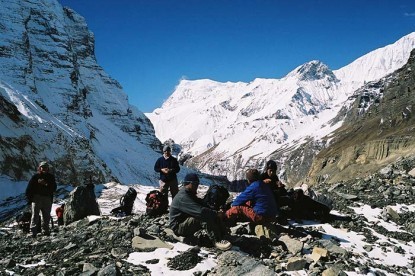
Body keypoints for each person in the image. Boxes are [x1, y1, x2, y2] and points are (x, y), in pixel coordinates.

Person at [169, 173, 232, 251]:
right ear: (189, 183)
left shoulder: (189, 193)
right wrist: (216, 214)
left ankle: (224, 235)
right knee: (204, 217)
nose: (197, 186)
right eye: (195, 184)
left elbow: (201, 204)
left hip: (184, 221)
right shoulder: (183, 197)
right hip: (178, 227)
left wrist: (215, 211)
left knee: (210, 213)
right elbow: (200, 212)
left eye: (197, 184)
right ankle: (217, 241)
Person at [25, 161, 57, 237]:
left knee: (46, 216)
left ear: (48, 168)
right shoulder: (35, 177)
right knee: (35, 215)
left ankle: (45, 231)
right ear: (40, 168)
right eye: (43, 167)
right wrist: (30, 199)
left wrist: (46, 184)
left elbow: (54, 188)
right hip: (37, 198)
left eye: (46, 167)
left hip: (47, 198)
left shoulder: (51, 177)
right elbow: (29, 189)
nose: (44, 169)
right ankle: (33, 232)